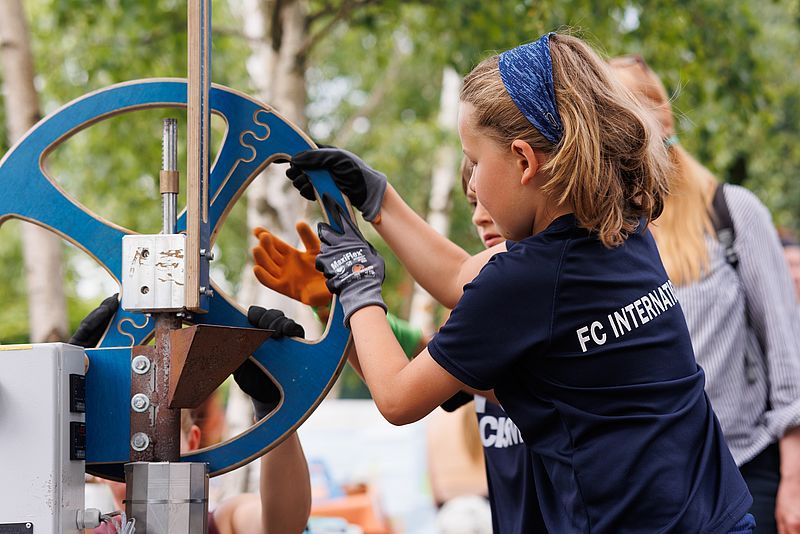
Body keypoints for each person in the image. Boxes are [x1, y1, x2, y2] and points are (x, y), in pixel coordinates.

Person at [285, 32, 755, 533]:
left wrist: (357, 283)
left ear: (524, 162)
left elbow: (398, 398)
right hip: (716, 516)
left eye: (476, 161)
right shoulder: (624, 231)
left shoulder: (527, 279)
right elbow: (460, 277)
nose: (472, 185)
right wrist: (379, 201)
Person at [609, 55, 800, 534]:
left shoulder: (732, 213)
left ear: (654, 119)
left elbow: (786, 354)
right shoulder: (605, 236)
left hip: (745, 468)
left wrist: (794, 480)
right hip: (651, 487)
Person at [72, 298, 312, 534]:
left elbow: (282, 526)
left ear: (194, 443)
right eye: (126, 445)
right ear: (100, 459)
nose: (145, 459)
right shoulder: (79, 530)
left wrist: (271, 408)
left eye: (159, 439)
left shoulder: (223, 524)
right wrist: (58, 392)